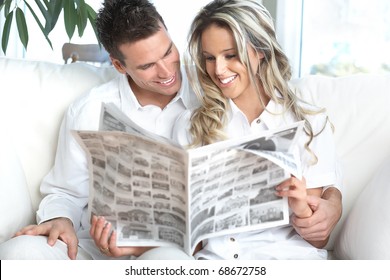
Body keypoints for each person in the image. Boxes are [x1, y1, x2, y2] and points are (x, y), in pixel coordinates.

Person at [0, 0, 197, 260]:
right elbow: (65, 191)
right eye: (147, 66)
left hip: (169, 249)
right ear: (118, 65)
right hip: (97, 247)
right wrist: (60, 219)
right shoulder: (90, 109)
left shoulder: (211, 94)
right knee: (18, 252)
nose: (166, 71)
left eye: (168, 52)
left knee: (169, 263)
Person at [172, 0, 342, 259]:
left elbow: (319, 239)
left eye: (230, 55)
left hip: (288, 261)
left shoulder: (308, 123)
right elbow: (191, 244)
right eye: (209, 58)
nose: (218, 70)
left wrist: (299, 207)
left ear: (260, 50)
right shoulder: (191, 126)